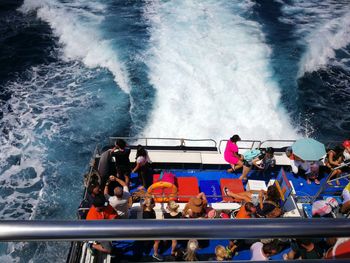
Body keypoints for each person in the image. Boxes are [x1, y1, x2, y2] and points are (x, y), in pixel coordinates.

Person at [142, 197, 163, 261]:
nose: (154, 204)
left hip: (152, 228)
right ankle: (155, 254)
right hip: (149, 230)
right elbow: (148, 225)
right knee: (157, 241)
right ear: (148, 204)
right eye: (153, 203)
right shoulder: (146, 214)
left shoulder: (151, 210)